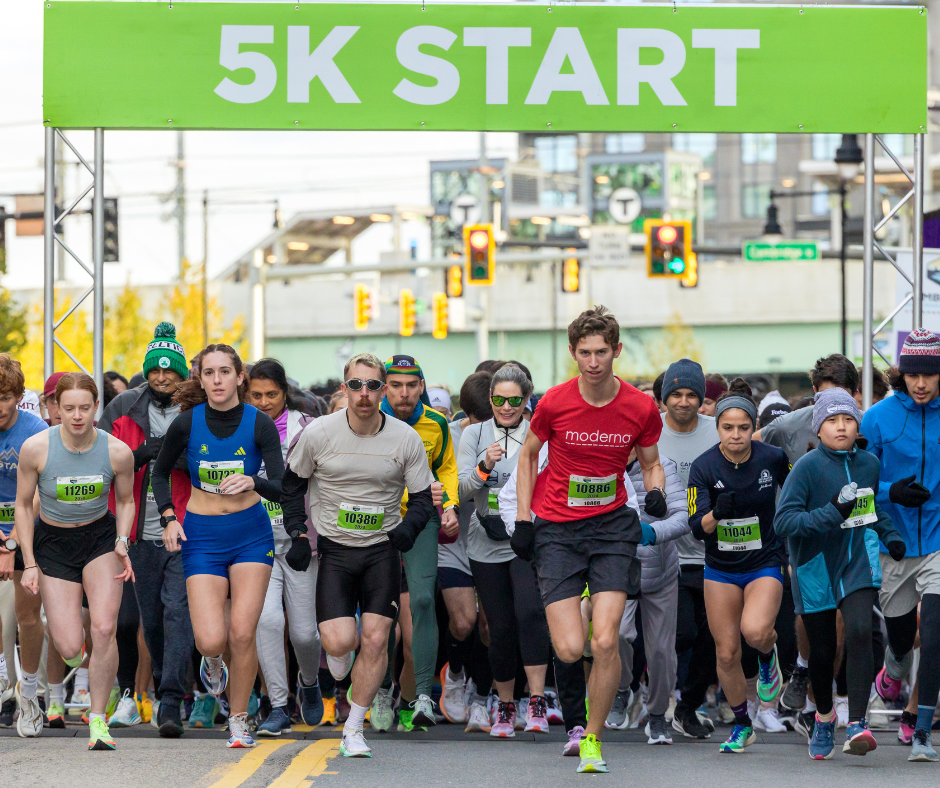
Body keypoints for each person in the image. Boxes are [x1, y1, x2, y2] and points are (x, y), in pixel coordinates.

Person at [513, 306, 666, 774]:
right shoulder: (555, 403)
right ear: (573, 354)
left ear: (616, 351)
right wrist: (523, 519)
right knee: (567, 648)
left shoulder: (639, 407)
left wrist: (656, 490)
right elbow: (527, 456)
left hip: (611, 529)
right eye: (585, 353)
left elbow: (651, 462)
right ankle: (581, 611)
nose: (594, 361)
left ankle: (593, 740)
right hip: (557, 529)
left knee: (607, 641)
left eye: (602, 352)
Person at [280, 353, 435, 757]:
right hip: (335, 550)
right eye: (355, 385)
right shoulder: (319, 433)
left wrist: (407, 530)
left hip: (381, 550)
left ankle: (354, 727)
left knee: (377, 637)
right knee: (337, 642)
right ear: (343, 388)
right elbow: (291, 486)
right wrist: (298, 534)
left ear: (382, 390)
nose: (364, 394)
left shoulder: (405, 438)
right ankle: (344, 661)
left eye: (372, 385)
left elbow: (421, 500)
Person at [151, 344, 285, 749]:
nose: (217, 380)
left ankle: (239, 719)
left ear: (239, 376)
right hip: (203, 536)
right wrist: (169, 518)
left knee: (243, 633)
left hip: (250, 534)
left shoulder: (259, 423)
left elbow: (281, 486)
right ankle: (212, 662)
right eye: (209, 373)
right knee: (211, 639)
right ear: (200, 379)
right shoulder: (187, 424)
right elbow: (158, 474)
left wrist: (254, 482)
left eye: (225, 372)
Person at [776, 388, 905, 760]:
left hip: (857, 561)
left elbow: (869, 508)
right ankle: (824, 717)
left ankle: (858, 724)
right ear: (818, 428)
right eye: (832, 420)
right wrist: (831, 512)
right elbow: (785, 521)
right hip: (814, 565)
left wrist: (890, 535)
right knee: (823, 650)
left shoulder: (868, 464)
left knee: (862, 632)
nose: (841, 426)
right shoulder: (806, 467)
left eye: (848, 419)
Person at [15, 373, 135, 751]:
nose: (77, 416)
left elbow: (128, 501)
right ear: (56, 408)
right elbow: (22, 505)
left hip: (100, 539)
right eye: (69, 408)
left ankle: (98, 719)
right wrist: (30, 562)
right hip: (53, 543)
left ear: (96, 407)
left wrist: (122, 541)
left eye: (85, 408)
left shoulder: (117, 451)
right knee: (70, 648)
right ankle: (45, 675)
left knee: (103, 627)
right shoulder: (36, 449)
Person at [98, 322, 194, 737]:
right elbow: (95, 463)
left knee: (178, 614)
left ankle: (171, 700)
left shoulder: (197, 409)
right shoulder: (122, 407)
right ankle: (161, 687)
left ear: (182, 372)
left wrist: (179, 458)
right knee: (150, 621)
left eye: (170, 370)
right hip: (135, 532)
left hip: (185, 527)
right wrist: (137, 456)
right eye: (155, 369)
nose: (162, 377)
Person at [688, 380, 790, 753]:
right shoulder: (703, 467)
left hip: (764, 560)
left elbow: (796, 490)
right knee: (726, 652)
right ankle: (743, 724)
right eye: (727, 428)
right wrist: (717, 514)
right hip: (720, 567)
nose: (736, 435)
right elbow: (696, 528)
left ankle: (768, 657)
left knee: (756, 631)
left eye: (743, 427)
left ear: (753, 427)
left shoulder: (771, 458)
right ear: (717, 428)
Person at [459, 364, 552, 738]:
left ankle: (537, 702)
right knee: (499, 627)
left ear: (527, 399)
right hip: (485, 540)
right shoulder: (474, 435)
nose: (507, 407)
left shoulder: (537, 433)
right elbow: (463, 490)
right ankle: (505, 705)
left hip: (525, 539)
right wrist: (484, 466)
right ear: (491, 399)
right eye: (499, 400)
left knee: (530, 615)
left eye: (515, 400)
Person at [862, 329, 940, 762]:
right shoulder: (877, 418)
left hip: (938, 540)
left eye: (930, 373)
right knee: (901, 638)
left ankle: (923, 730)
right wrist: (892, 491)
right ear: (901, 374)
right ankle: (892, 669)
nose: (922, 383)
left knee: (934, 632)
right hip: (894, 542)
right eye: (913, 374)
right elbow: (857, 482)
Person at [375, 355, 459, 730]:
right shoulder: (369, 418)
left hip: (420, 518)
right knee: (381, 616)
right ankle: (378, 689)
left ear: (421, 387)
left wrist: (451, 504)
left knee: (423, 601)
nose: (404, 393)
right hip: (377, 523)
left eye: (411, 385)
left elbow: (446, 469)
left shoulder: (437, 423)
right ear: (384, 387)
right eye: (396, 385)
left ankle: (423, 693)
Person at [248, 358, 324, 735]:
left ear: (285, 394)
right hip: (254, 543)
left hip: (300, 542)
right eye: (256, 395)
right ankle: (278, 705)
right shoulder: (239, 428)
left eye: (272, 395)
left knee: (304, 633)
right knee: (267, 621)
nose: (264, 402)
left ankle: (308, 683)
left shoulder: (307, 429)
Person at [654, 358, 719, 740]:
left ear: (701, 398)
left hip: (714, 552)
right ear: (664, 398)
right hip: (666, 552)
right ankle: (657, 697)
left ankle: (688, 705)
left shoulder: (718, 430)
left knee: (714, 638)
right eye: (675, 394)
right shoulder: (650, 432)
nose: (682, 401)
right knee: (681, 634)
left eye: (691, 394)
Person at [608, 449, 688, 745]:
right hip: (614, 569)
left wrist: (651, 532)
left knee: (660, 651)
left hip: (660, 573)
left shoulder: (663, 464)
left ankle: (657, 715)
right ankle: (621, 690)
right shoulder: (598, 463)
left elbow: (683, 516)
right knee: (614, 635)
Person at [439, 372, 492, 727]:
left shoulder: (518, 436)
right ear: (464, 415)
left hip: (492, 540)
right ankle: (454, 673)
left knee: (490, 626)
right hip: (454, 542)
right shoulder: (451, 437)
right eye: (476, 420)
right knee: (463, 622)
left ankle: (481, 696)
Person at [0, 356, 47, 728]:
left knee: (26, 615)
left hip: (27, 526)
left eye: (4, 397)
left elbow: (34, 496)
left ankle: (30, 694)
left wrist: (11, 544)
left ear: (18, 396)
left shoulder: (35, 430)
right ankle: (3, 682)